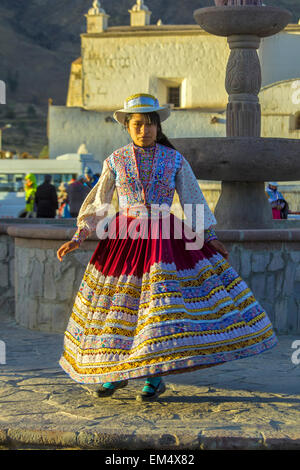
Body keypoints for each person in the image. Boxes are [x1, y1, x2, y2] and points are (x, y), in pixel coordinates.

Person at [57, 93, 277, 401]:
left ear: (158, 127)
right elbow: (100, 200)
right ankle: (115, 372)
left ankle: (154, 377)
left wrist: (209, 236)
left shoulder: (174, 159)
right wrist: (80, 234)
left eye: (149, 124)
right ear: (127, 126)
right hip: (125, 240)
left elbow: (192, 198)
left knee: (157, 310)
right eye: (137, 124)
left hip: (164, 240)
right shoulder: (116, 160)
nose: (143, 130)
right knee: (119, 309)